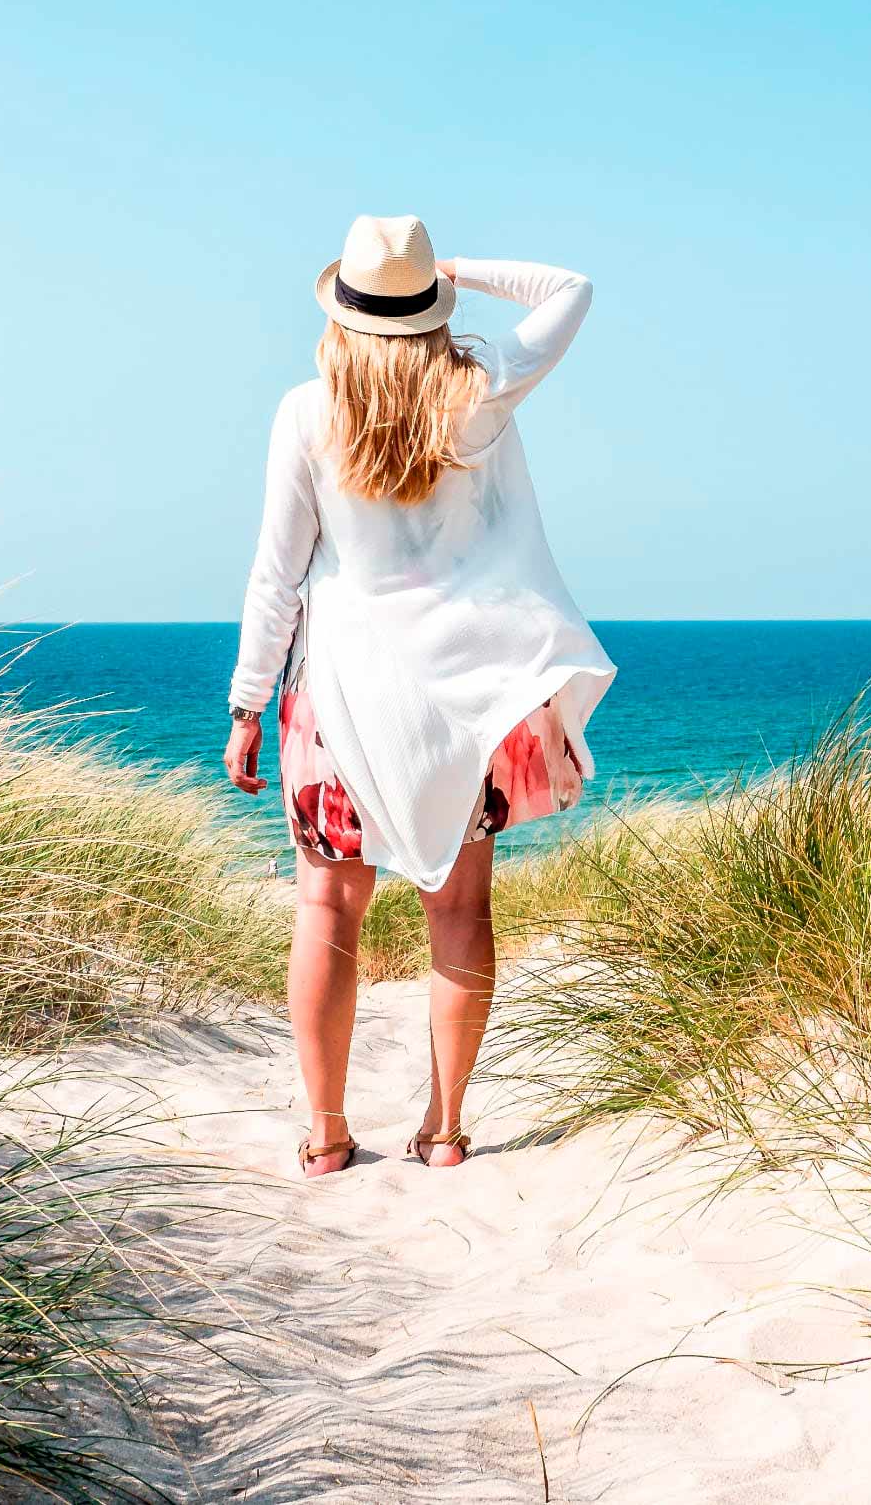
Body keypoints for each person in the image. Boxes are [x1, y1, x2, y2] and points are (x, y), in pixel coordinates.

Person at [225, 214, 614, 1176]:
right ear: (431, 310)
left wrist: (244, 704)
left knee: (327, 909)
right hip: (465, 693)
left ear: (344, 314)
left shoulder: (307, 412)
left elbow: (276, 576)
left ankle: (325, 1134)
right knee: (460, 909)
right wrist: (454, 270)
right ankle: (444, 1131)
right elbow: (570, 289)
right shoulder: (477, 398)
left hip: (343, 693)